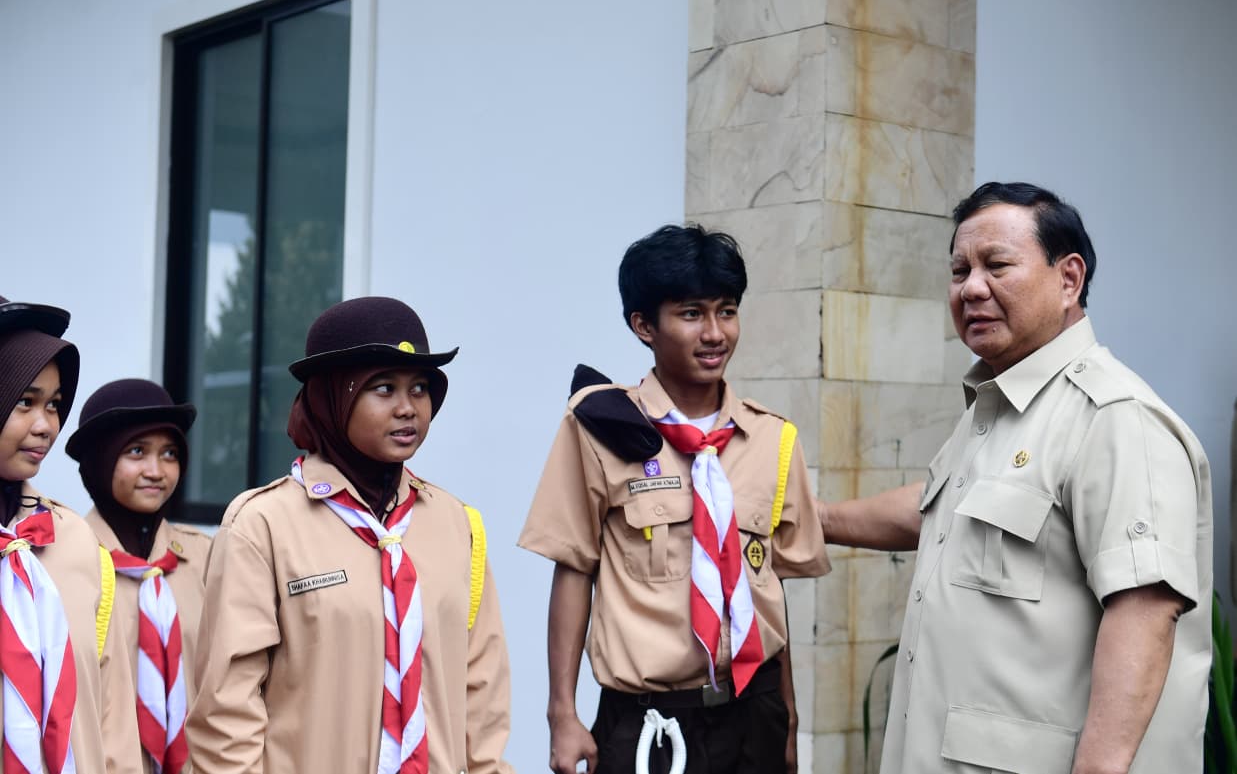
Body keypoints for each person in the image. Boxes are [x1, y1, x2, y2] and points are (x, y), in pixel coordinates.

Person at [819, 182, 1212, 774]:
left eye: (996, 265)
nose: (971, 287)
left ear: (1069, 279)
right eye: (959, 270)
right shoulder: (996, 408)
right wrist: (812, 518)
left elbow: (1145, 610)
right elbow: (934, 510)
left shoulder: (1113, 418)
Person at [519, 224, 829, 774]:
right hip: (648, 725)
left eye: (726, 311)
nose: (715, 333)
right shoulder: (599, 429)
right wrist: (561, 716)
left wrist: (789, 719)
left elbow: (768, 588)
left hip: (752, 716)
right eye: (691, 314)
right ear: (644, 325)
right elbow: (574, 570)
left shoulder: (774, 440)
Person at [188, 296, 514, 774]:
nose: (408, 408)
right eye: (384, 388)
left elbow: (482, 694)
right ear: (334, 398)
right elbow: (226, 712)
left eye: (420, 388)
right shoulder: (264, 525)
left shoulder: (457, 524)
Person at [0, 295, 143, 774]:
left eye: (55, 405)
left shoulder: (76, 542)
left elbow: (113, 724)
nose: (46, 426)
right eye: (25, 401)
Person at [65, 378, 211, 774]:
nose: (156, 470)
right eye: (136, 451)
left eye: (169, 453)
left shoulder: (207, 559)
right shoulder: (60, 563)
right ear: (99, 460)